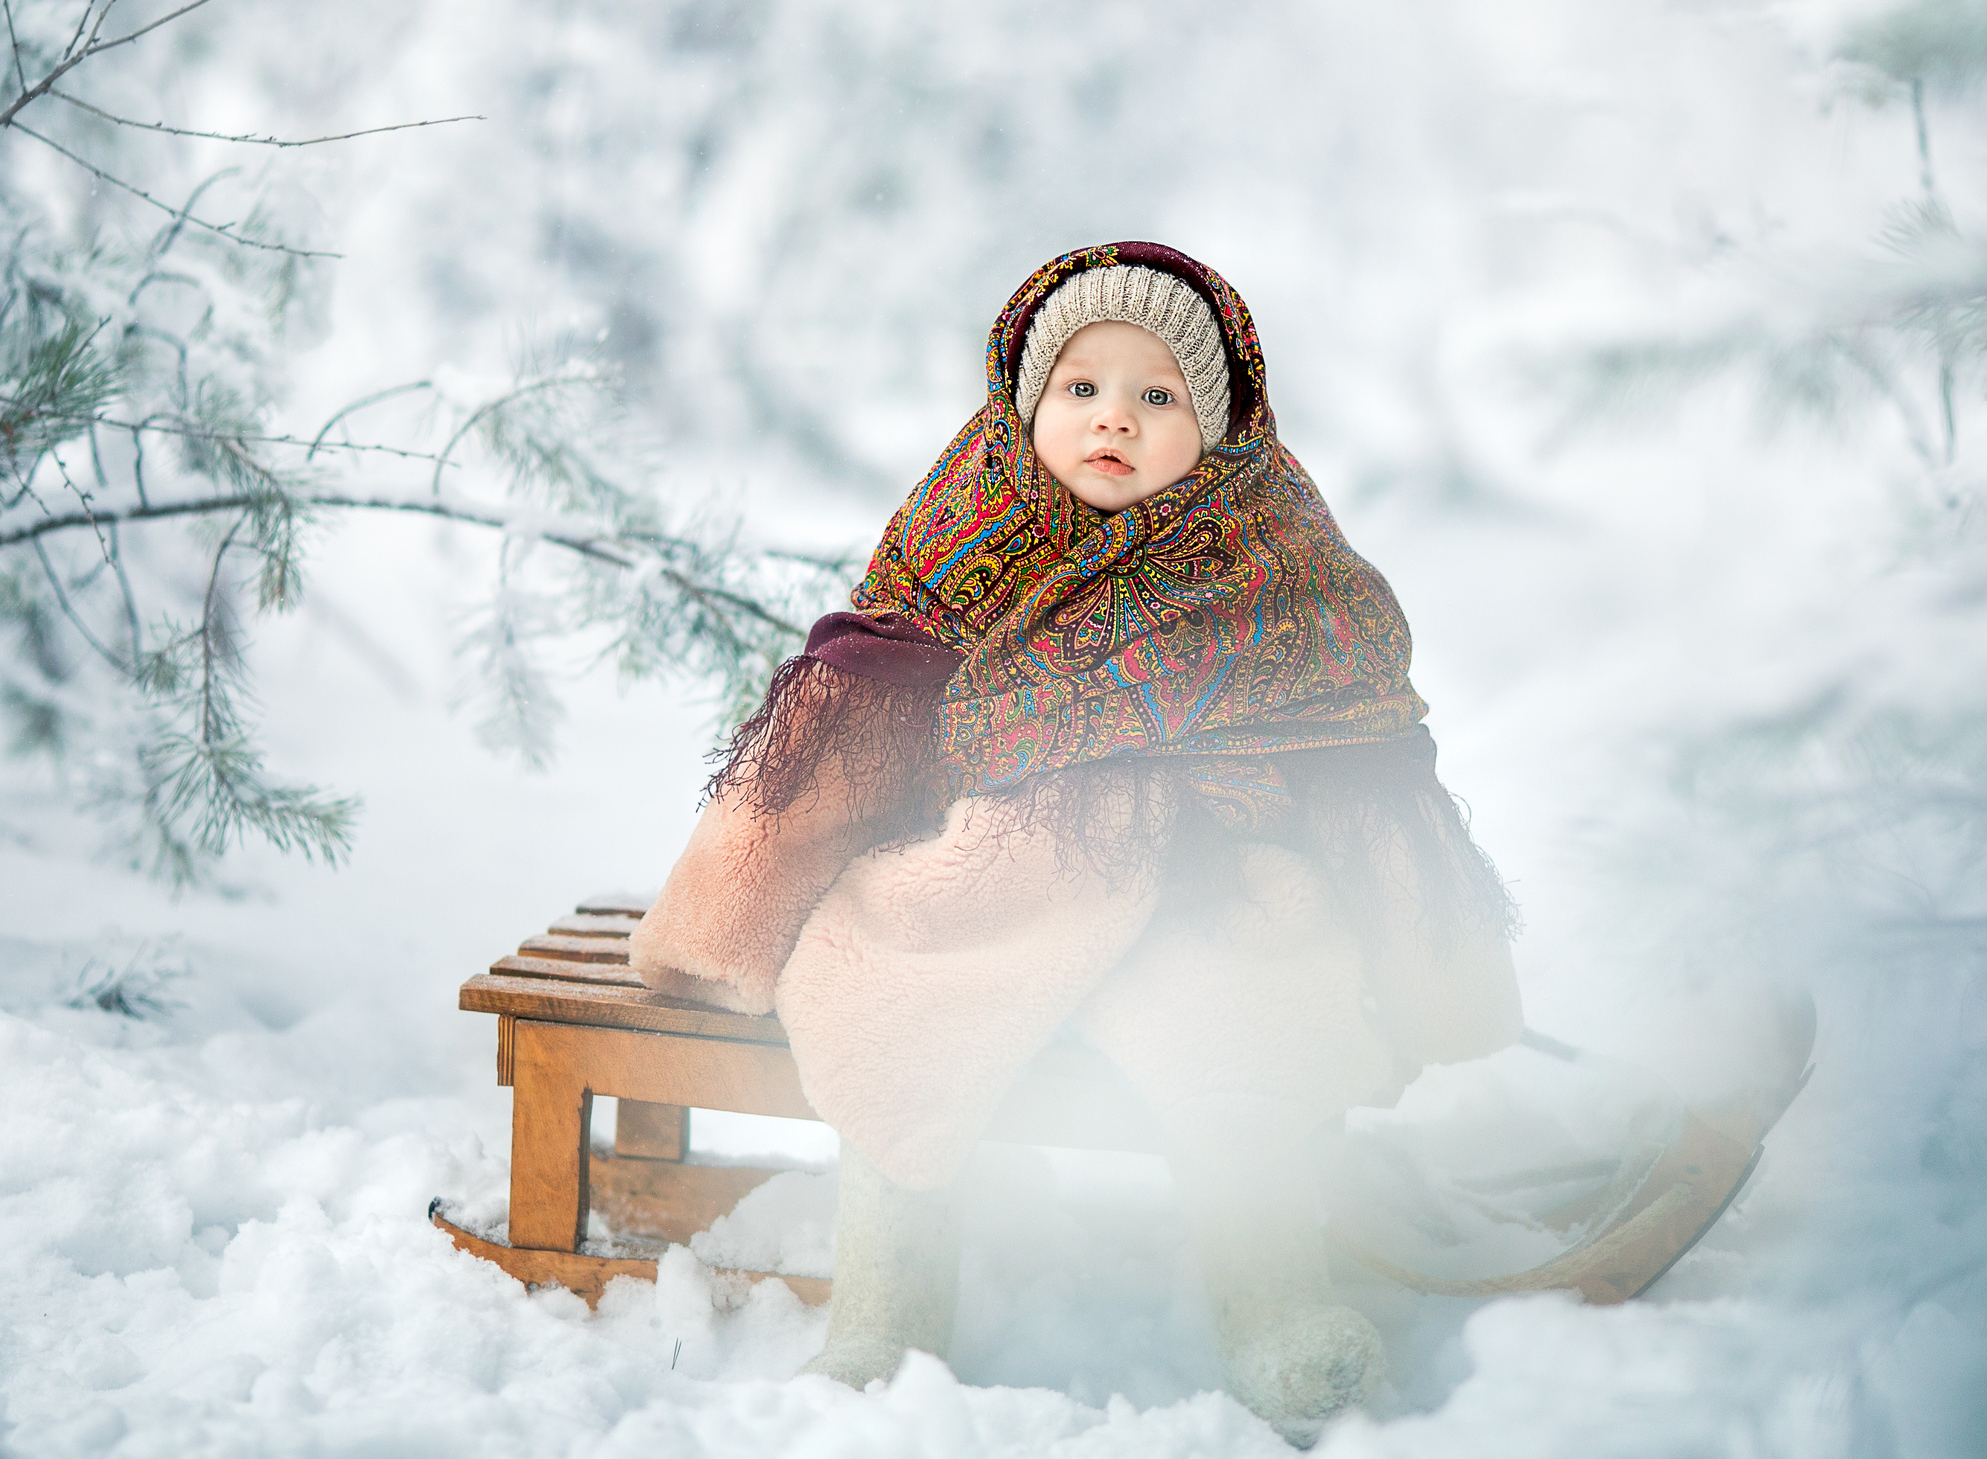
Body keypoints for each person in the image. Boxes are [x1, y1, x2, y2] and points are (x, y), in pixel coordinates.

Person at [630, 242, 1521, 1444]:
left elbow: (1371, 779)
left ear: (1218, 423)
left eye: (1159, 396)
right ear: (1025, 405)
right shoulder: (965, 538)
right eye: (1081, 388)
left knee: (1247, 1038)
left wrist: (1442, 978)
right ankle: (886, 1318)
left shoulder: (1276, 559)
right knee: (890, 1011)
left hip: (1210, 879)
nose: (1116, 419)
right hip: (995, 864)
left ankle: (1275, 1311)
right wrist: (720, 926)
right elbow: (839, 733)